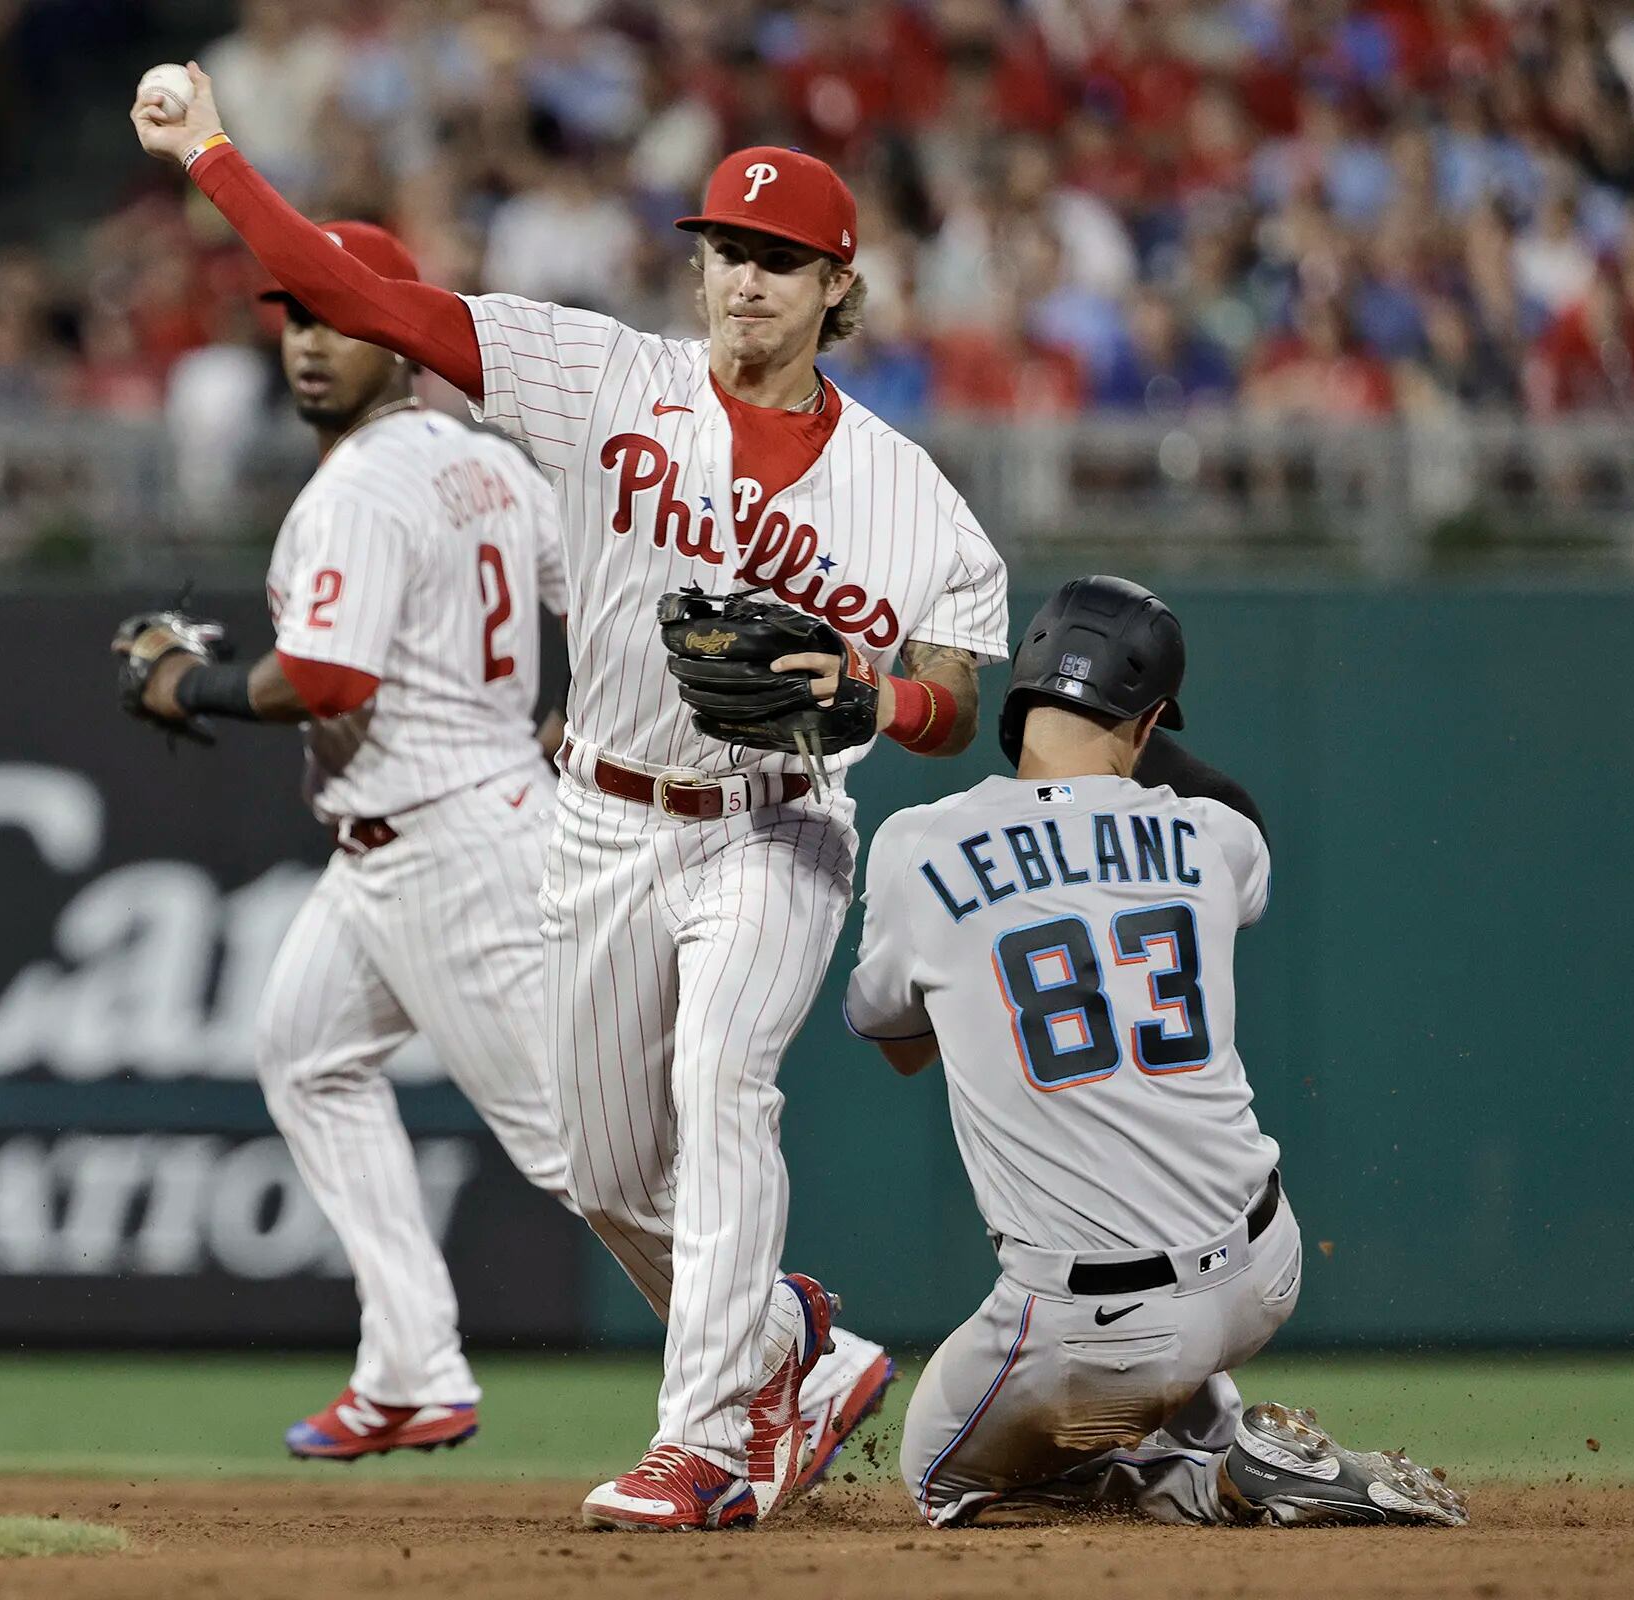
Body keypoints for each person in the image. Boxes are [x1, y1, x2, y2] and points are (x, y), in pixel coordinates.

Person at [136, 65, 1008, 1531]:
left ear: (837, 284)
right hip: (597, 822)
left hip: (772, 824)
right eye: (726, 250)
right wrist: (212, 154)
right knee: (599, 1163)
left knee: (723, 1085)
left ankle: (707, 1442)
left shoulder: (906, 489)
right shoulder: (601, 376)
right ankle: (791, 1347)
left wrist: (876, 702)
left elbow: (955, 699)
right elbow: (358, 299)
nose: (744, 280)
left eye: (779, 261)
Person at [844, 575, 1467, 1529]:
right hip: (1265, 1271)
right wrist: (1131, 724)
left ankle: (1214, 1480)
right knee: (1168, 1297)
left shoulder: (918, 847)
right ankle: (1216, 1427)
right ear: (1149, 726)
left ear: (1020, 700)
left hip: (1098, 1331)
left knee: (938, 1472)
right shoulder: (1210, 837)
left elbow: (898, 1046)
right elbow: (1234, 809)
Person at [114, 224, 574, 1461]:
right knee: (307, 1052)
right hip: (419, 831)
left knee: (578, 1147)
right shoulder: (480, 461)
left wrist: (185, 689)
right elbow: (616, 599)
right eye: (299, 315)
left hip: (450, 840)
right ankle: (414, 1366)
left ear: (400, 329)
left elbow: (323, 677)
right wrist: (573, 725)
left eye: (341, 315)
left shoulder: (362, 487)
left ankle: (793, 1350)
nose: (314, 341)